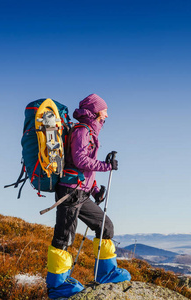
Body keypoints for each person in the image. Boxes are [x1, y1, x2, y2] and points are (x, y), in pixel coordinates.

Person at [46, 94, 131, 299]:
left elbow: (84, 170)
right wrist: (106, 166)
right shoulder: (82, 131)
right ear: (95, 111)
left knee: (105, 226)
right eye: (105, 111)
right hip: (69, 191)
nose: (107, 115)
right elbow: (80, 160)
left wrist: (94, 191)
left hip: (81, 192)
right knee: (64, 237)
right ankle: (57, 287)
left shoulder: (91, 132)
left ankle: (106, 273)